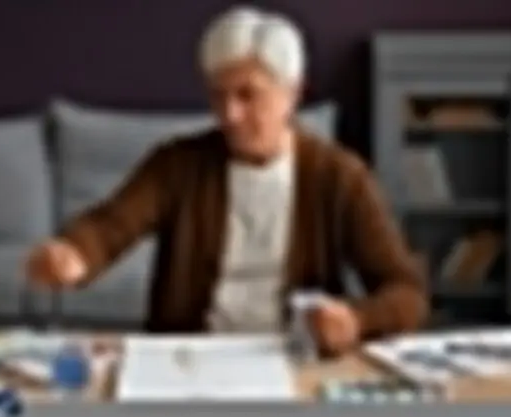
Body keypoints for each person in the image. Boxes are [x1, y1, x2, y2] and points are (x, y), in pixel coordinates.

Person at [27, 6, 428, 357]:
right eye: (218, 96)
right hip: (190, 357)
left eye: (247, 95)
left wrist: (356, 320)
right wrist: (74, 253)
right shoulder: (177, 164)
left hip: (294, 358)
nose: (229, 114)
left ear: (292, 94)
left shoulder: (339, 176)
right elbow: (112, 225)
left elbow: (406, 291)